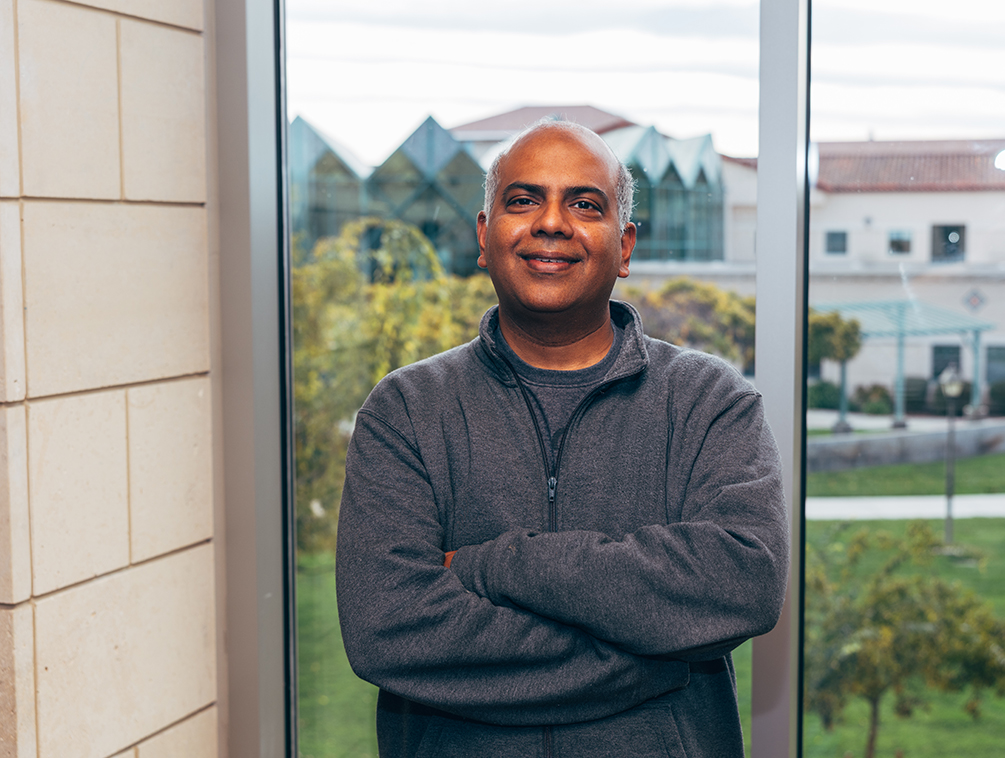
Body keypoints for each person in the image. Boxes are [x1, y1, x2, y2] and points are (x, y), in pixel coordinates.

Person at [336, 119, 788, 757]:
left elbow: (743, 581)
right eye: (523, 201)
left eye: (584, 204)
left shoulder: (709, 401)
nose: (552, 222)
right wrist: (652, 657)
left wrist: (490, 566)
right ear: (483, 238)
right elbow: (387, 626)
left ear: (625, 247)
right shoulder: (407, 410)